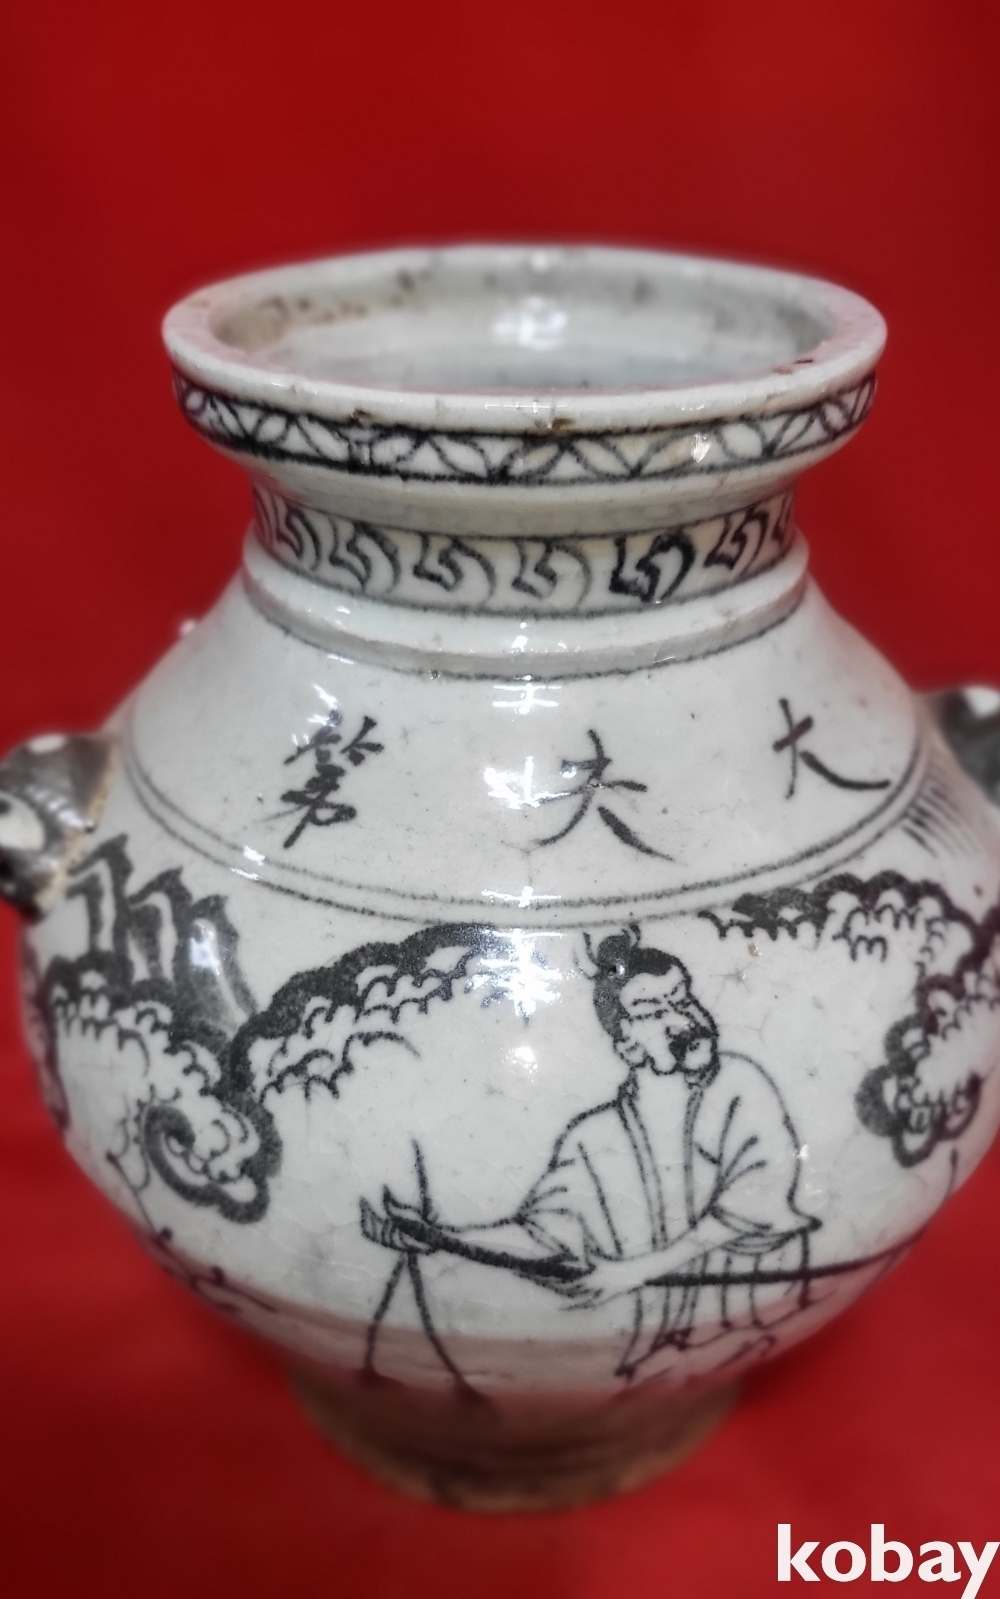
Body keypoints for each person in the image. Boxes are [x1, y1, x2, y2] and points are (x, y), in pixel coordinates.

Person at [363, 934, 819, 1380]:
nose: (681, 1019)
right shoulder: (595, 1138)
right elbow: (545, 1237)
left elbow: (756, 1200)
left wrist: (632, 1273)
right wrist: (444, 1240)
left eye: (681, 998)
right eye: (652, 1011)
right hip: (644, 1352)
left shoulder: (739, 1084)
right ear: (626, 1043)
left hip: (734, 1327)